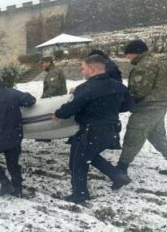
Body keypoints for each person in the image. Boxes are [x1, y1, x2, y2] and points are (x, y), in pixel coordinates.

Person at [53, 55, 134, 203]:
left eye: (83, 68)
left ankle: (80, 195)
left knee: (77, 163)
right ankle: (118, 176)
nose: (82, 71)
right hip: (111, 132)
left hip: (91, 132)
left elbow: (70, 108)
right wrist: (108, 111)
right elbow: (128, 106)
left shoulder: (86, 88)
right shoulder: (119, 86)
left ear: (92, 68)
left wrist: (58, 114)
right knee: (88, 156)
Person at [116, 40, 167, 176]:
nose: (127, 58)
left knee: (133, 136)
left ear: (136, 53)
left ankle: (120, 170)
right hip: (159, 105)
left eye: (128, 55)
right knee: (158, 138)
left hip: (146, 108)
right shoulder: (159, 62)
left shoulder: (144, 66)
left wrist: (123, 101)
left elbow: (139, 91)